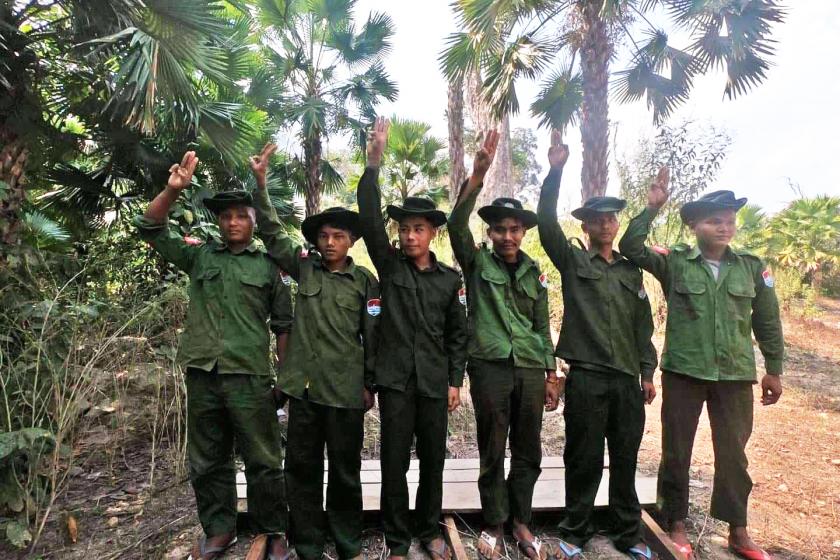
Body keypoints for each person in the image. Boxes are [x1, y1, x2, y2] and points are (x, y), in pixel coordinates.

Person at [619, 172, 785, 560]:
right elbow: (631, 247)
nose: (724, 227)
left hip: (734, 375)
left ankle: (738, 530)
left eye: (729, 220)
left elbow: (767, 320)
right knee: (677, 452)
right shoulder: (675, 261)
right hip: (685, 372)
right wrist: (652, 207)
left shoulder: (751, 266)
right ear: (694, 225)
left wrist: (774, 368)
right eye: (714, 221)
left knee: (734, 455)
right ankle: (675, 523)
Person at [135, 151, 292, 560]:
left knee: (264, 458)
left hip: (250, 376)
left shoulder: (268, 267)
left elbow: (283, 326)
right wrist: (172, 191)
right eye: (226, 216)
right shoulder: (199, 256)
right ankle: (220, 528)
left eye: (242, 215)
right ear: (219, 222)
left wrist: (285, 378)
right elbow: (149, 226)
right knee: (207, 458)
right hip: (203, 373)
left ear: (254, 222)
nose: (233, 222)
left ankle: (273, 529)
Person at [248, 143, 379, 560]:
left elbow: (373, 336)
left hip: (344, 391)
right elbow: (272, 233)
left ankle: (347, 541)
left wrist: (369, 384)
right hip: (304, 391)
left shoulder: (365, 282)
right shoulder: (304, 267)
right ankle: (307, 543)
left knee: (345, 471)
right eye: (323, 236)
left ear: (351, 240)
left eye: (338, 236)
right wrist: (261, 184)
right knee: (302, 470)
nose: (330, 242)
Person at [536, 131, 658, 560]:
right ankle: (575, 531)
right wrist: (555, 172)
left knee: (625, 459)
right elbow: (546, 225)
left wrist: (647, 372)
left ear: (616, 225)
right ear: (585, 226)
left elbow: (643, 326)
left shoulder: (630, 272)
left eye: (611, 219)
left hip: (625, 380)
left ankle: (628, 533)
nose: (605, 225)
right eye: (596, 219)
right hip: (586, 377)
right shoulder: (572, 261)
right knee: (583, 458)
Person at [357, 117, 468, 560]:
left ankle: (430, 529)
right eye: (403, 229)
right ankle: (398, 538)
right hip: (396, 382)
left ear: (432, 233)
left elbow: (458, 335)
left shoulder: (449, 280)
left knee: (434, 462)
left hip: (434, 382)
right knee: (394, 462)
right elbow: (369, 220)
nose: (408, 236)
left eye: (417, 228)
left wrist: (455, 380)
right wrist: (373, 164)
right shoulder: (389, 267)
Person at [447, 131, 559, 560]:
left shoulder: (535, 273)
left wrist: (551, 373)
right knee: (492, 447)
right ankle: (494, 521)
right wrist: (477, 176)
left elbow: (542, 326)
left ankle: (521, 521)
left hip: (529, 367)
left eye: (514, 229)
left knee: (529, 448)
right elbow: (455, 225)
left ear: (524, 232)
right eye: (500, 229)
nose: (508, 236)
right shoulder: (476, 263)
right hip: (490, 365)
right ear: (490, 232)